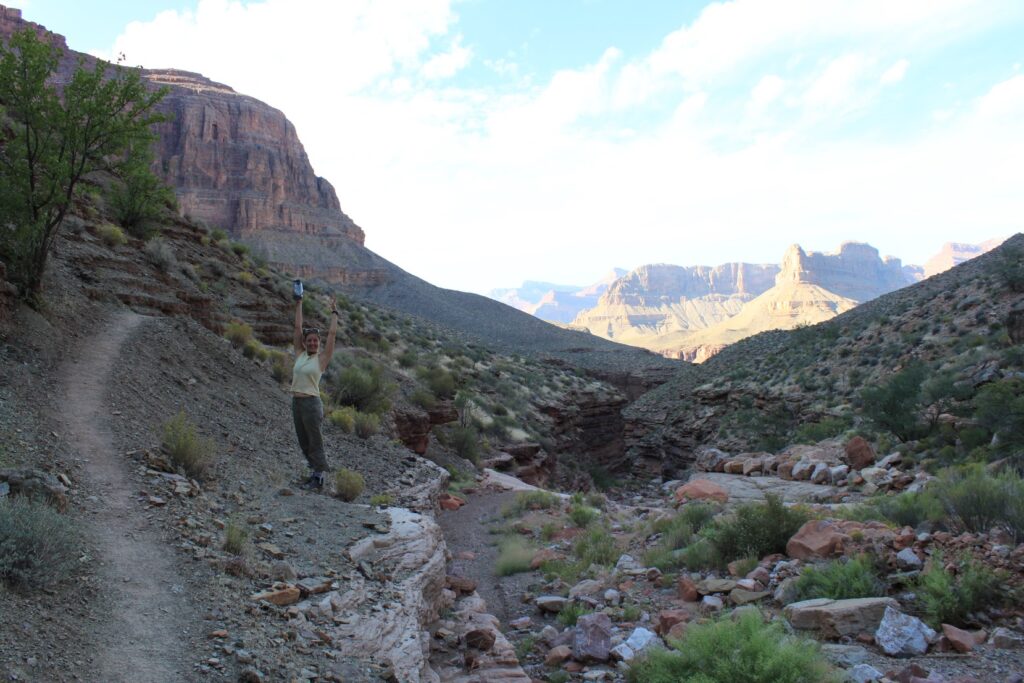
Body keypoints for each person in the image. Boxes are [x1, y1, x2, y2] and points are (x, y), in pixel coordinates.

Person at [291, 294, 339, 490]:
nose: (312, 343)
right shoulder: (300, 354)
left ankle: (318, 478)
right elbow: (297, 328)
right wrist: (299, 302)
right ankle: (313, 473)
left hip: (311, 404)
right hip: (296, 403)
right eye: (309, 340)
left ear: (318, 343)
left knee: (314, 440)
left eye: (315, 341)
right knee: (303, 441)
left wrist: (334, 313)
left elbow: (332, 336)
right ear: (304, 342)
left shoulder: (322, 359)